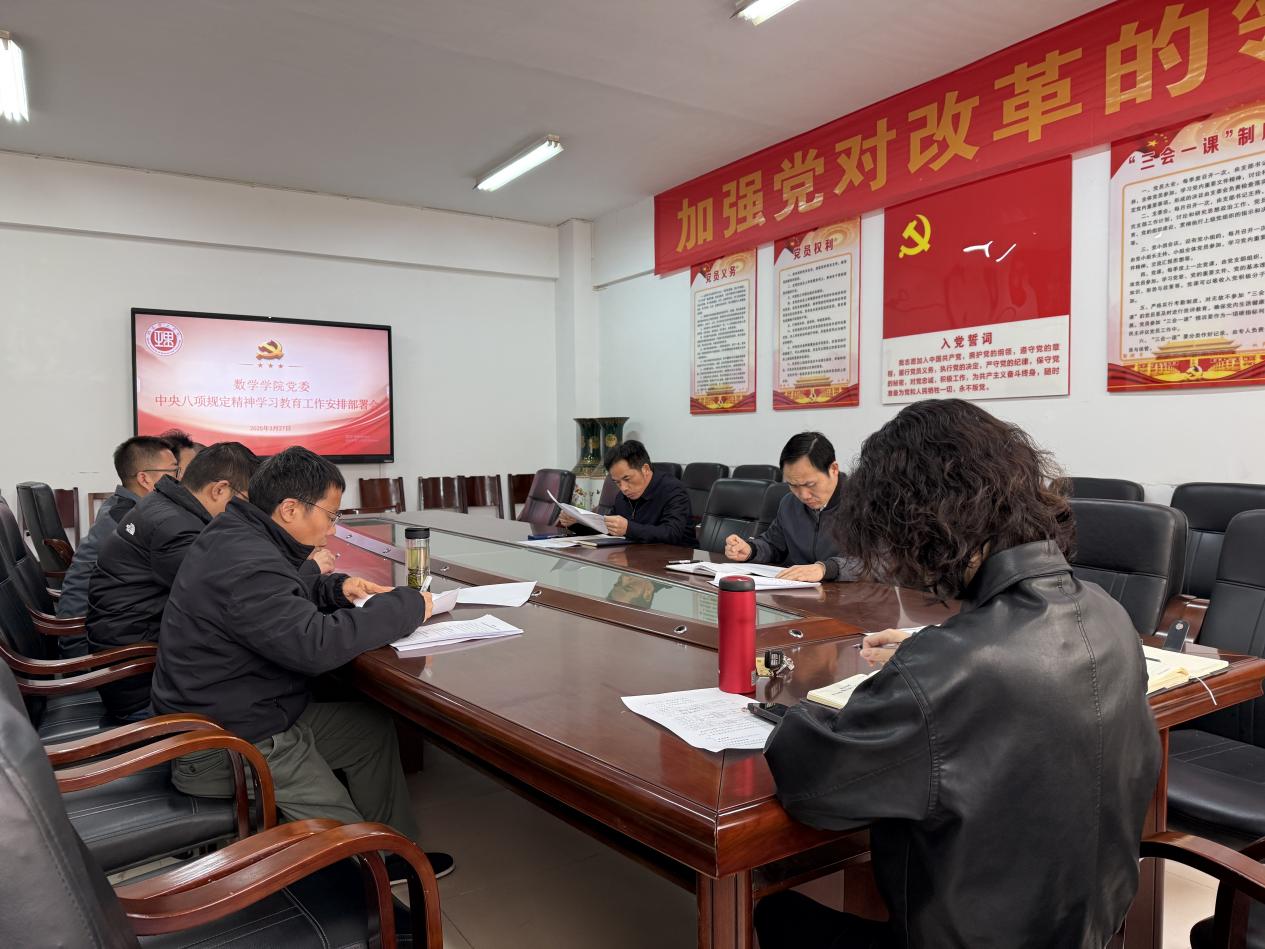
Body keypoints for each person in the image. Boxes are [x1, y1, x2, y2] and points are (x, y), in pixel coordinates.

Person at [756, 400, 1161, 949]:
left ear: (925, 527)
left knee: (775, 913)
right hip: (1089, 930)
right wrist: (934, 652)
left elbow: (812, 789)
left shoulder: (947, 668)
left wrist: (794, 712)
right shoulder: (1110, 614)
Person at [150, 446, 453, 878]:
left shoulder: (239, 533)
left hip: (247, 713)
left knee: (369, 730)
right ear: (290, 508)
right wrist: (408, 605)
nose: (333, 527)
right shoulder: (247, 560)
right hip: (231, 744)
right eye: (331, 515)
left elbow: (276, 598)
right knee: (350, 844)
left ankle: (395, 855)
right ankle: (371, 880)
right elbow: (316, 646)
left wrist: (334, 588)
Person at [85, 441, 261, 722]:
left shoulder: (165, 506)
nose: (247, 511)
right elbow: (230, 596)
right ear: (219, 490)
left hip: (133, 665)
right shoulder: (176, 528)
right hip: (142, 688)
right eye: (245, 501)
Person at [55, 435, 180, 656]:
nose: (179, 480)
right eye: (173, 471)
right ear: (144, 479)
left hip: (91, 629)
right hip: (87, 644)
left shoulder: (120, 508)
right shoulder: (129, 521)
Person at [724, 432, 859, 582]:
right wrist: (750, 550)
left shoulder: (863, 502)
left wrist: (825, 569)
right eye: (793, 485)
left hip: (849, 593)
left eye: (810, 484)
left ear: (833, 469)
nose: (803, 495)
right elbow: (774, 545)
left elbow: (875, 562)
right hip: (796, 591)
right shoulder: (789, 503)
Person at [559, 440, 693, 546]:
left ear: (645, 469)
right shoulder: (622, 497)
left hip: (676, 562)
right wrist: (576, 523)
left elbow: (672, 533)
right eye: (617, 482)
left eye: (627, 479)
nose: (623, 488)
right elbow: (606, 529)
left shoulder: (673, 490)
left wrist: (628, 529)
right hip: (638, 559)